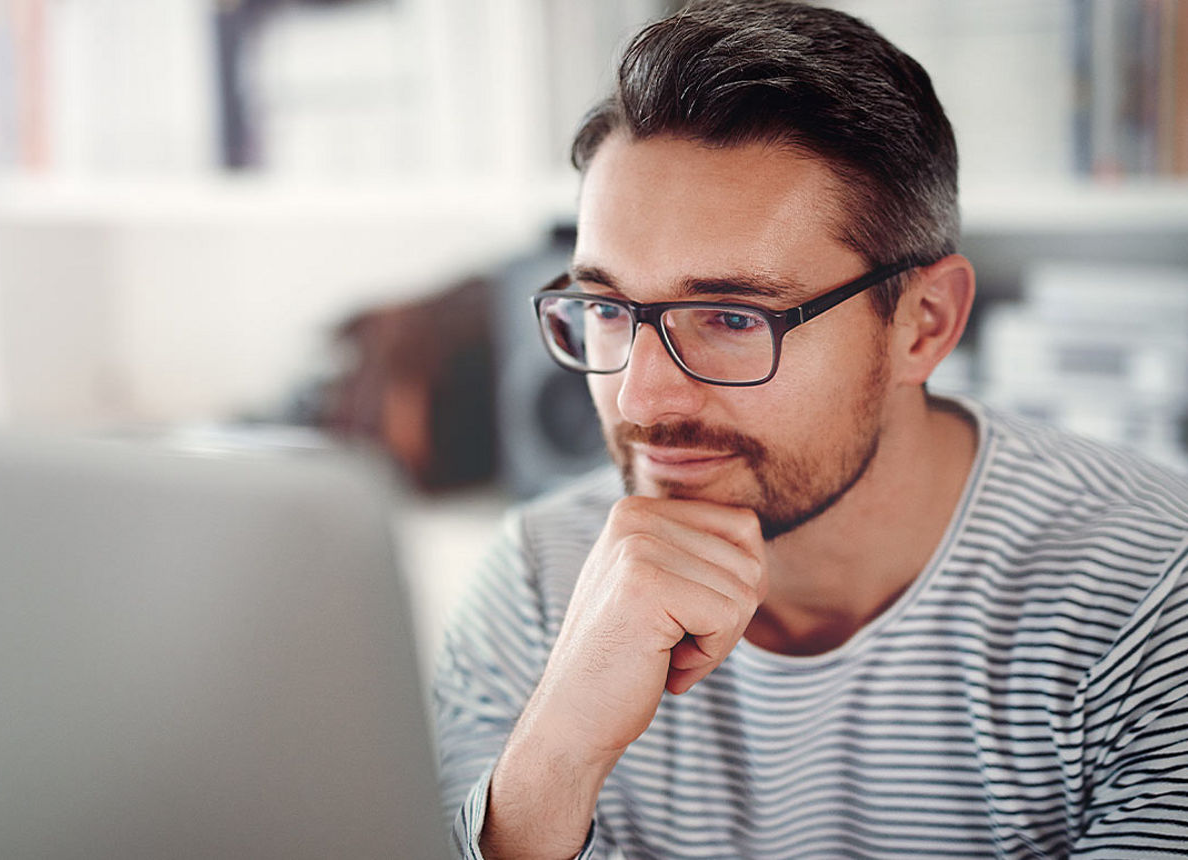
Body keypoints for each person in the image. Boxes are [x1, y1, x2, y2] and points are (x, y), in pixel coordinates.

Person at [433, 1, 1188, 857]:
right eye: (607, 309)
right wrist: (559, 753)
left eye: (732, 317)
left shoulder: (1150, 598)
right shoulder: (539, 580)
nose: (641, 400)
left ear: (924, 324)